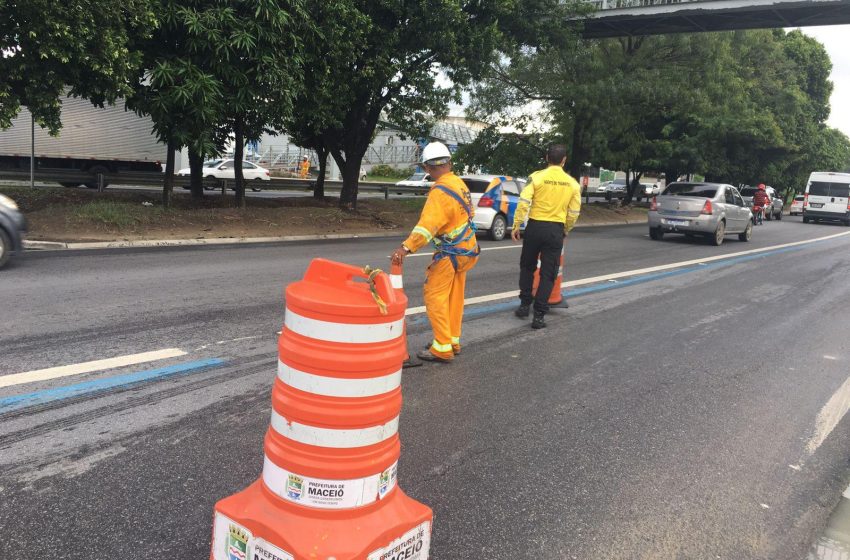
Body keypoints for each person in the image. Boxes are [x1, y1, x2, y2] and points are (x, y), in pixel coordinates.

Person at [390, 142, 479, 363]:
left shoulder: (440, 191)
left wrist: (406, 247)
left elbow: (427, 226)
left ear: (428, 168)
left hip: (450, 253)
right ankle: (452, 340)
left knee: (435, 296)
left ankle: (442, 348)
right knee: (454, 296)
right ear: (449, 162)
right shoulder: (459, 184)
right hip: (467, 250)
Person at [511, 144, 582, 329]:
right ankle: (539, 316)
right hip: (555, 230)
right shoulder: (572, 183)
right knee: (548, 273)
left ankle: (524, 305)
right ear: (564, 160)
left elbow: (524, 202)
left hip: (534, 227)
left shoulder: (536, 177)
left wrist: (517, 224)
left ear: (546, 158)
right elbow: (574, 211)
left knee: (527, 266)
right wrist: (566, 228)